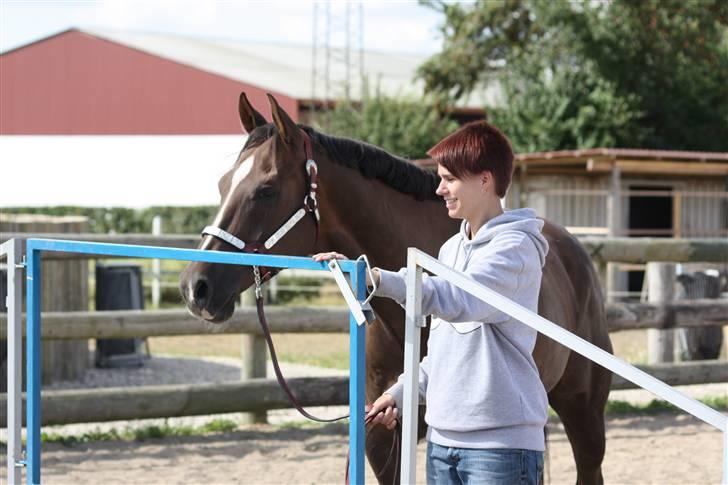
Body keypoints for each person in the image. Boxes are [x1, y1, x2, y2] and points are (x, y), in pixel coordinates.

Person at [314, 120, 549, 485]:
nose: (439, 189)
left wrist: (377, 279)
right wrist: (398, 394)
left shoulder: (515, 250)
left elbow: (460, 299)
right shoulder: (450, 249)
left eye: (449, 179)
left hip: (500, 448)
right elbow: (442, 351)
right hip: (442, 444)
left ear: (485, 180)